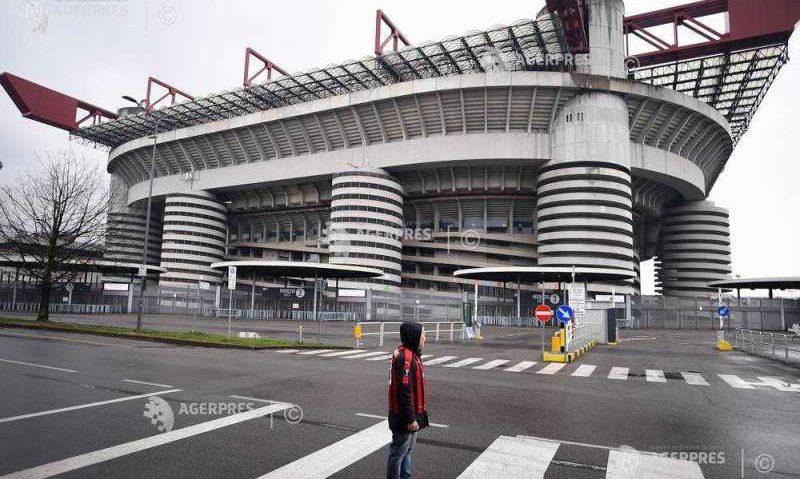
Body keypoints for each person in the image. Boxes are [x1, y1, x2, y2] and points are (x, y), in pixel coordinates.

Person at [386, 321, 429, 479]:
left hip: (409, 413)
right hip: (405, 416)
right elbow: (403, 392)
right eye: (423, 334)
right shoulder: (407, 358)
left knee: (407, 451)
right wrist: (411, 419)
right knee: (398, 453)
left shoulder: (406, 352)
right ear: (414, 336)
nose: (425, 337)